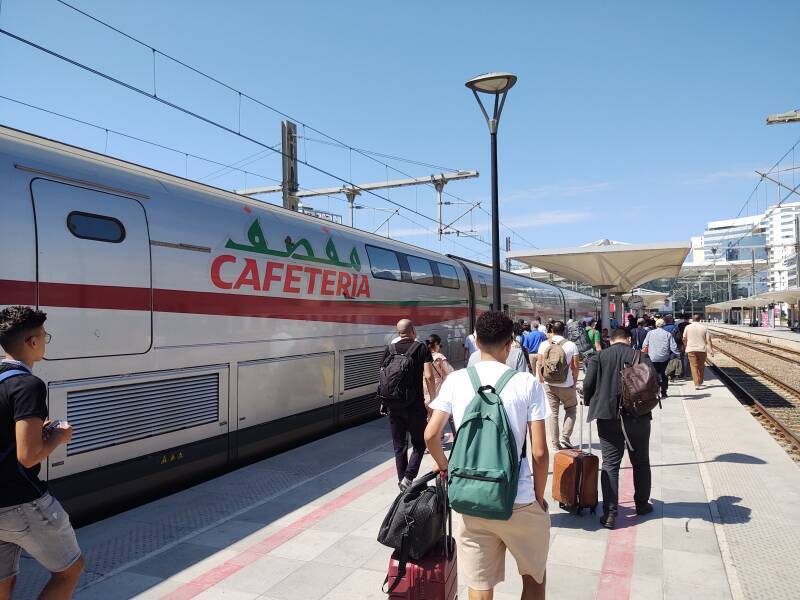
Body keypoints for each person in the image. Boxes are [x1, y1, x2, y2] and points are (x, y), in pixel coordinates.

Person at [424, 311, 550, 600]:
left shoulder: (456, 380)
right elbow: (540, 453)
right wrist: (539, 497)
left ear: (477, 341)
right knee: (534, 579)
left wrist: (446, 469)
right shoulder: (527, 383)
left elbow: (431, 435)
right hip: (520, 499)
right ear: (510, 344)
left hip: (470, 498)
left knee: (479, 586)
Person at [0, 306, 84, 600]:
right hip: (22, 502)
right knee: (70, 570)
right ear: (32, 342)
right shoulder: (28, 385)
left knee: (3, 581)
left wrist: (37, 430)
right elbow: (28, 455)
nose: (45, 342)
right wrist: (58, 437)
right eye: (44, 336)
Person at [583, 328, 656, 529]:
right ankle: (641, 505)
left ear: (610, 340)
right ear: (629, 339)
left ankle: (610, 513)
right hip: (637, 417)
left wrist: (589, 399)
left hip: (607, 416)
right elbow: (653, 382)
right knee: (641, 461)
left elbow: (588, 383)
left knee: (610, 464)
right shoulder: (640, 355)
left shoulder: (599, 356)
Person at [381, 319, 436, 491]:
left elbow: (382, 376)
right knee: (419, 443)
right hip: (415, 405)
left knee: (399, 445)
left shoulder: (389, 350)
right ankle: (409, 477)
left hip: (394, 404)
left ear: (398, 332)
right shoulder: (421, 348)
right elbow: (428, 376)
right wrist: (433, 400)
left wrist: (383, 401)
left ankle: (401, 481)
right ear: (413, 330)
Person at [536, 321, 580, 451]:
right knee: (571, 409)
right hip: (567, 384)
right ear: (564, 331)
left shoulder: (544, 344)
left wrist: (542, 379)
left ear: (552, 330)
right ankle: (565, 437)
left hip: (549, 384)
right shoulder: (571, 345)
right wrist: (574, 382)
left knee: (553, 414)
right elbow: (576, 366)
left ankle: (555, 444)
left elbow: (539, 363)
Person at [642, 318, 678, 397]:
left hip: (653, 357)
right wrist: (677, 354)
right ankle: (664, 391)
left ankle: (655, 390)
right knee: (664, 374)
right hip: (664, 358)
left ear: (656, 325)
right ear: (664, 325)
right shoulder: (667, 334)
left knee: (654, 374)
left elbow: (644, 345)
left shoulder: (650, 333)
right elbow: (673, 346)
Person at [423, 334, 453, 412]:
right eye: (440, 345)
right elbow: (451, 372)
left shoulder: (422, 356)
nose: (439, 347)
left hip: (424, 390)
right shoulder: (439, 357)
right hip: (436, 390)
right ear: (436, 344)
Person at [683, 315, 714, 390]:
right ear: (699, 319)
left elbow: (684, 338)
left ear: (692, 319)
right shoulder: (704, 327)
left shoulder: (688, 327)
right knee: (701, 366)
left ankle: (696, 384)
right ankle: (700, 381)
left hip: (691, 349)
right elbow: (708, 340)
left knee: (693, 366)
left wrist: (686, 345)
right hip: (702, 349)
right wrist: (710, 350)